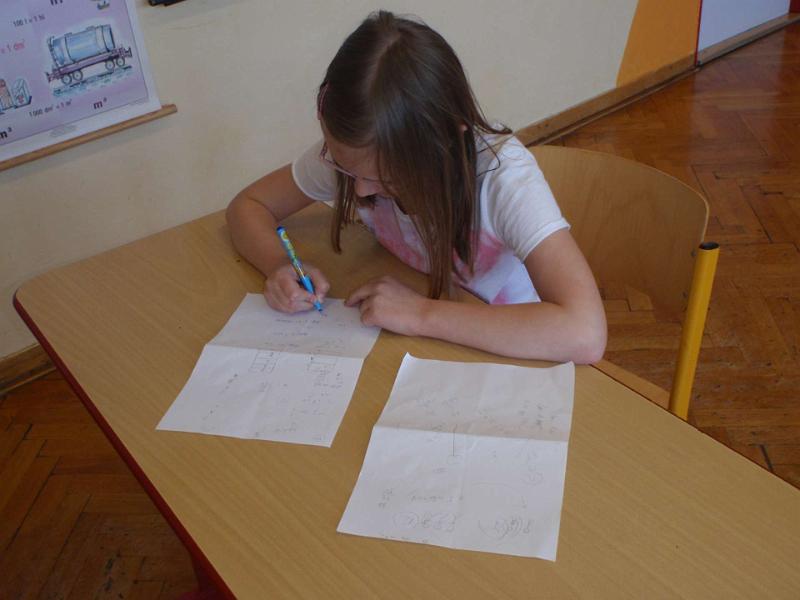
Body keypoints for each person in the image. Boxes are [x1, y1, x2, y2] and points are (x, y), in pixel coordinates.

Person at [226, 11, 606, 363]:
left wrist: (421, 313)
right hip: (422, 337)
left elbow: (585, 333)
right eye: (345, 168)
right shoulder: (360, 155)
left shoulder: (503, 179)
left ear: (446, 143)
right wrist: (279, 265)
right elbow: (249, 205)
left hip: (512, 347)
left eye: (385, 178)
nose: (360, 191)